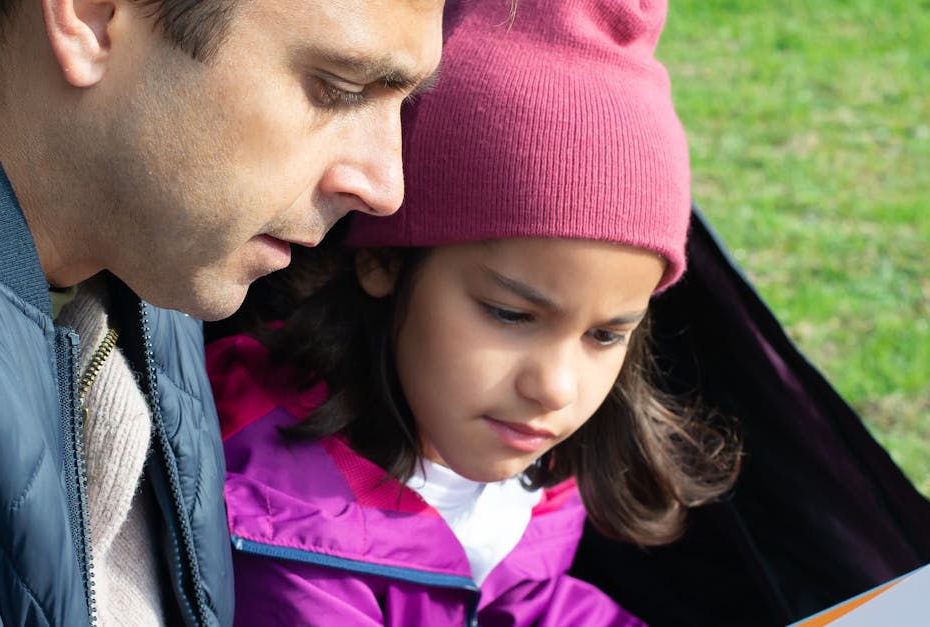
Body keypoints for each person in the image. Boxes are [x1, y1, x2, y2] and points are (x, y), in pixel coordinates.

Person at [0, 0, 442, 623]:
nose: (386, 187)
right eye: (337, 88)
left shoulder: (147, 240)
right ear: (89, 16)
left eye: (402, 103)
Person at [206, 0, 742, 624]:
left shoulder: (518, 468)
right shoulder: (281, 533)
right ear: (382, 263)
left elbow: (525, 603)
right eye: (511, 315)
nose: (555, 387)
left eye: (604, 335)